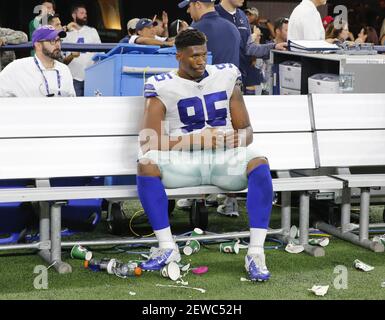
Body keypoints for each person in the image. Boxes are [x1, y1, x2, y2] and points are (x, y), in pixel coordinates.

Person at [137, 29, 273, 282]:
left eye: (204, 55)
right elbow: (148, 142)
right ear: (178, 56)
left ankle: (255, 252)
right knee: (146, 164)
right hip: (185, 160)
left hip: (222, 158)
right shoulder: (161, 85)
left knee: (259, 163)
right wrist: (196, 139)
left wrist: (240, 138)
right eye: (194, 56)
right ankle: (167, 247)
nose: (201, 61)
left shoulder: (226, 75)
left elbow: (247, 131)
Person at [0, 25, 75, 97]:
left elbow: (72, 100)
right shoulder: (17, 68)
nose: (58, 45)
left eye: (58, 40)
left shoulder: (64, 69)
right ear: (38, 45)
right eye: (52, 41)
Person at [179, 0, 241, 67]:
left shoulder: (194, 31)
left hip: (206, 77)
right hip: (231, 77)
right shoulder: (233, 28)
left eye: (189, 6)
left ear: (197, 4)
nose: (188, 11)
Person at [62, 4, 101, 96]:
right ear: (74, 15)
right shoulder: (65, 34)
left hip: (91, 76)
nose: (85, 15)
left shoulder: (92, 31)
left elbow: (100, 53)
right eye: (82, 13)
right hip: (73, 77)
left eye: (86, 13)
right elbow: (61, 58)